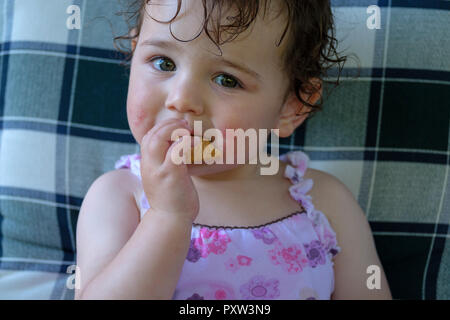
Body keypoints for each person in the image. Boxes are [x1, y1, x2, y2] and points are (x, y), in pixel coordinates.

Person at [75, 0, 392, 300]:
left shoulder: (323, 203)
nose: (182, 99)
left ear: (293, 106)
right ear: (134, 55)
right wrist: (167, 217)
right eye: (163, 62)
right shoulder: (120, 197)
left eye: (226, 80)